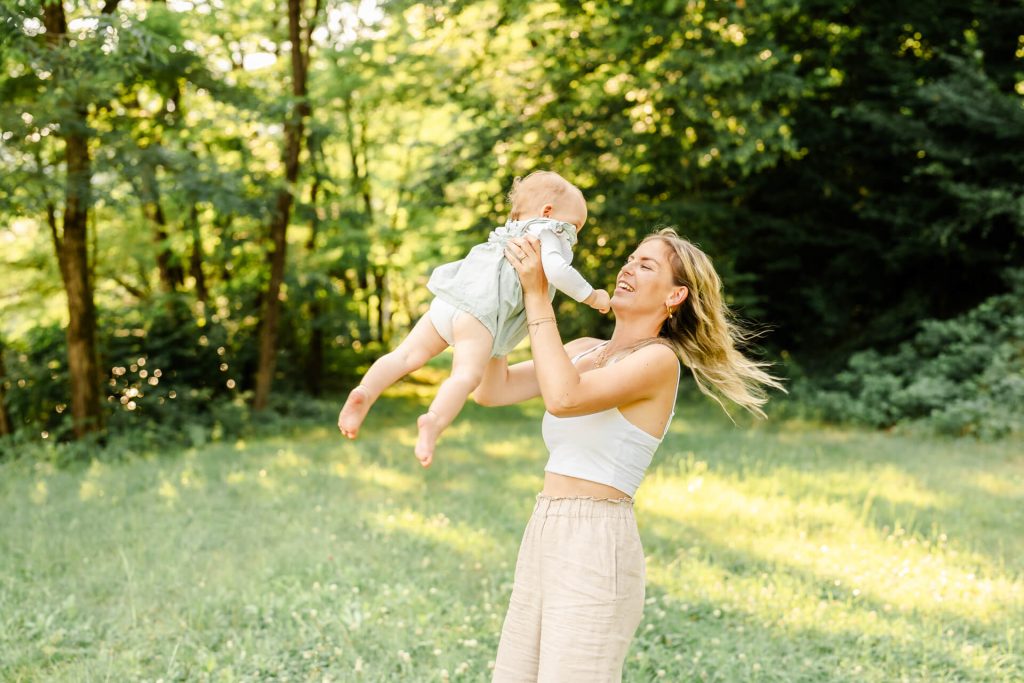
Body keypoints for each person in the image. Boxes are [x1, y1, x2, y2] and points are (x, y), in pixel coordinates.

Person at [478, 227, 787, 682]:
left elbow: (565, 398)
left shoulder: (659, 362)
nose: (627, 268)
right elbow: (492, 389)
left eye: (647, 265)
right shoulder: (584, 351)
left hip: (597, 539)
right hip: (544, 526)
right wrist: (500, 305)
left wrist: (538, 295)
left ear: (675, 295)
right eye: (630, 259)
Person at [337, 171, 611, 466]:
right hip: (478, 314)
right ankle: (433, 422)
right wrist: (593, 296)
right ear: (548, 212)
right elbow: (557, 271)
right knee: (465, 375)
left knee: (404, 356)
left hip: (450, 300)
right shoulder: (549, 231)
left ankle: (364, 392)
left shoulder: (512, 230)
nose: (576, 236)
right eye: (576, 225)